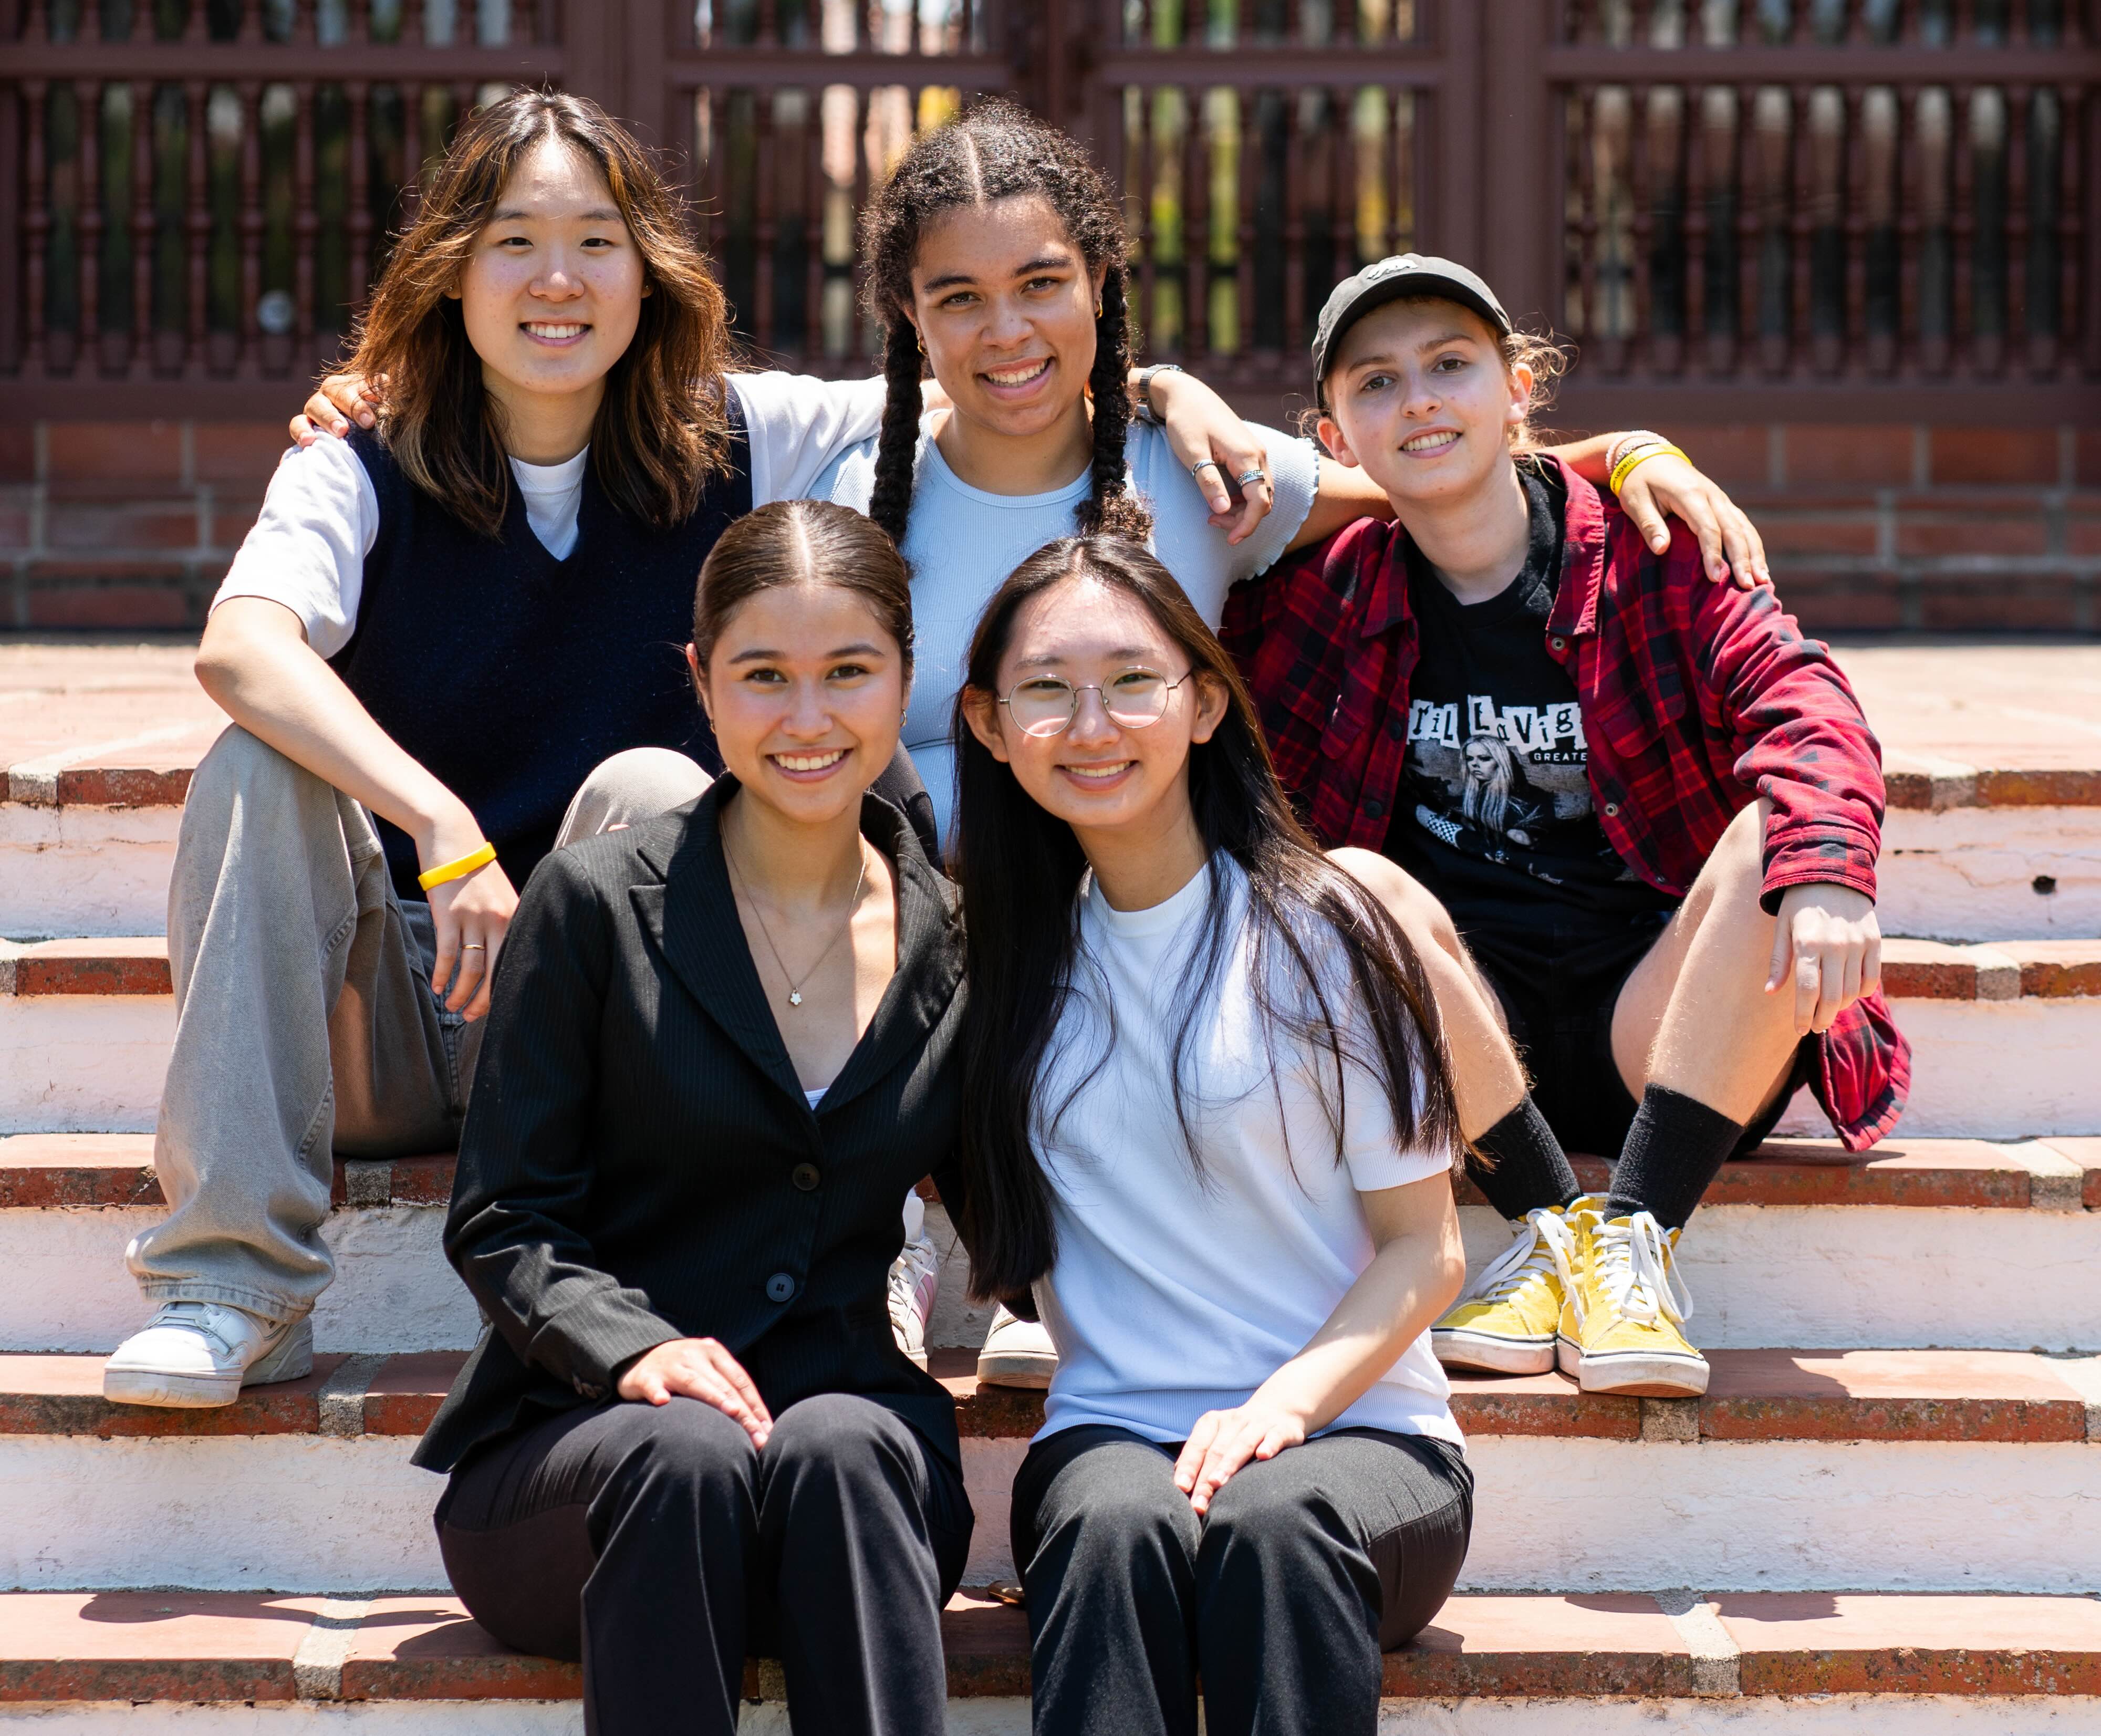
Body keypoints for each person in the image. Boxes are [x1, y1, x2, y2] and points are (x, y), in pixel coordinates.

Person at [291, 101, 1768, 1389]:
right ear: (911, 321)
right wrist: (383, 397)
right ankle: (888, 1234)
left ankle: (1031, 1253)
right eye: (962, 298)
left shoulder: (1214, 482)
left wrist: (1621, 451)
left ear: (1102, 285)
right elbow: (591, 393)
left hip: (1154, 935)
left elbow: (1428, 464)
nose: (1008, 332)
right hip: (907, 943)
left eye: (1045, 285)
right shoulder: (847, 470)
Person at [99, 87, 945, 1406]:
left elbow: (995, 379)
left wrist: (1172, 398)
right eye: (512, 241)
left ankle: (635, 1262)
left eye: (597, 240)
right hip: (390, 1014)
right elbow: (240, 647)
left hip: (600, 1042)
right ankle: (233, 1283)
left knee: (658, 789)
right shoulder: (359, 459)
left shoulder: (739, 436)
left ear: (649, 269)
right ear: (450, 274)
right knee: (254, 761)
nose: (558, 279)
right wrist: (442, 827)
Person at [1222, 253, 1911, 1399]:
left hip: (1668, 1031)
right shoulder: (1324, 593)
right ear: (1334, 439)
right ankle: (1548, 1224)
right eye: (1376, 383)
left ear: (1517, 387)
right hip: (1462, 1049)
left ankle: (1634, 1232)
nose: (1421, 401)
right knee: (1343, 878)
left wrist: (1829, 871)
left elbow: (1802, 697)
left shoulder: (1652, 551)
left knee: (1767, 841)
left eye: (1450, 365)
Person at [417, 498, 971, 1736]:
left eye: (848, 673)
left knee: (840, 1435)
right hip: (585, 1469)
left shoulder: (962, 939)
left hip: (850, 1495)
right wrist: (630, 1349)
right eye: (763, 675)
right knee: (684, 1448)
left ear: (904, 680)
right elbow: (503, 1214)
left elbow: (1025, 1202)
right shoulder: (594, 903)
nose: (808, 717)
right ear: (701, 683)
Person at [950, 531, 1502, 1736]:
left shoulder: (1325, 925)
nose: (1091, 724)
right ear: (989, 727)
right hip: (1114, 1439)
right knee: (1109, 1520)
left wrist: (1282, 1409)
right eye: (1045, 688)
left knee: (1273, 1519)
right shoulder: (989, 968)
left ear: (1201, 703)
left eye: (1131, 681)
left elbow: (1428, 1249)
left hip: (1359, 1442)